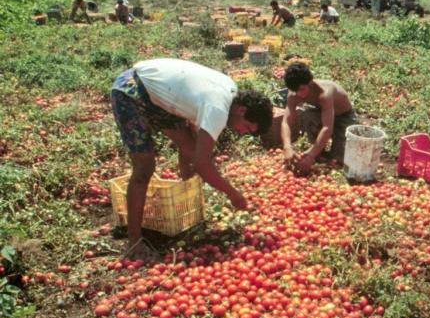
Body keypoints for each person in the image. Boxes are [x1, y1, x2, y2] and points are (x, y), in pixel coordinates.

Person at [111, 58, 273, 260]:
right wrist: (233, 194)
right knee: (144, 167)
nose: (241, 132)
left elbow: (194, 151)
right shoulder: (218, 109)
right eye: (247, 127)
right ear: (242, 110)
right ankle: (134, 241)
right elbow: (202, 164)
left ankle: (188, 206)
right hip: (131, 91)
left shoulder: (230, 91)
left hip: (158, 97)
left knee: (189, 145)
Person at [281, 63, 358, 175]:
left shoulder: (324, 93)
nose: (299, 94)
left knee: (340, 158)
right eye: (295, 90)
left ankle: (318, 151)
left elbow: (327, 128)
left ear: (310, 83)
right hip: (322, 113)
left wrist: (310, 156)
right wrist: (287, 146)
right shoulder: (293, 94)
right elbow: (286, 122)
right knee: (306, 114)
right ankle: (318, 151)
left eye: (302, 89)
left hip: (344, 117)